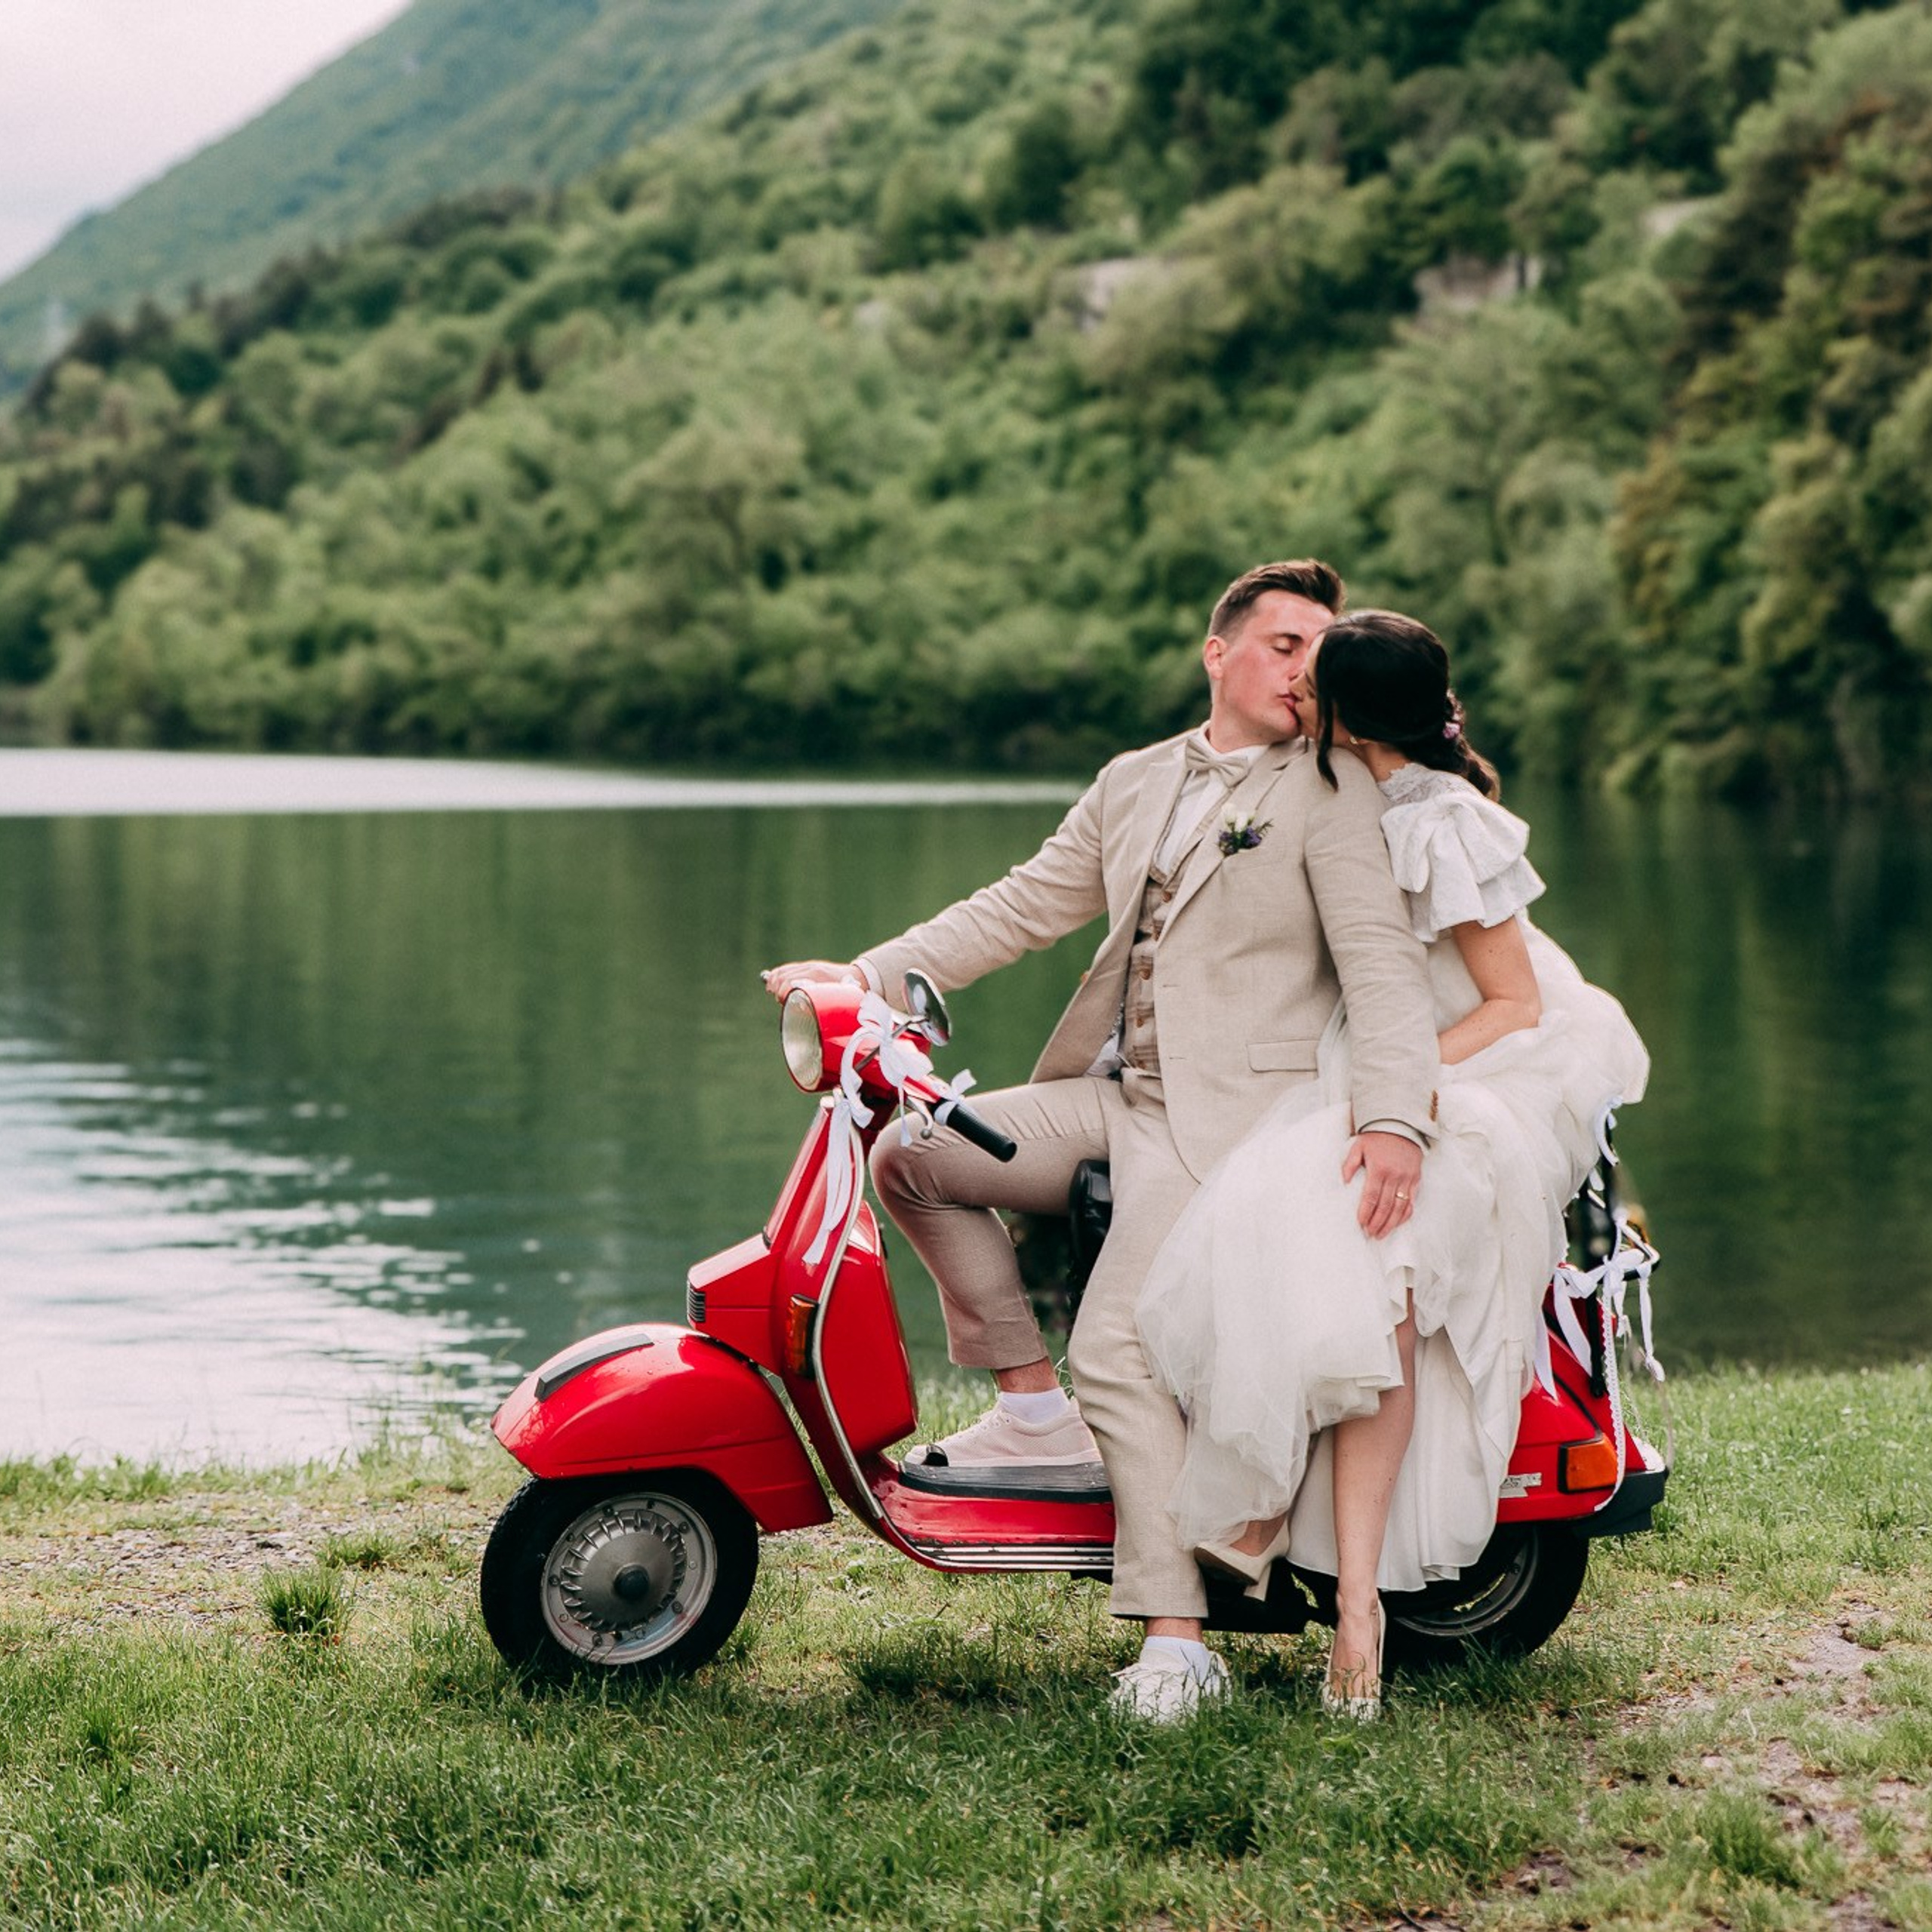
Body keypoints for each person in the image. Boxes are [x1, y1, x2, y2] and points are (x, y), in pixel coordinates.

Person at [764, 561, 1439, 1721]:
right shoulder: (1136, 779)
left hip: (1233, 1120)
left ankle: (1179, 1643)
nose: (1306, 669)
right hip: (1119, 1095)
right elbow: (1021, 905)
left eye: (1322, 652)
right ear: (1218, 653)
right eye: (1285, 644)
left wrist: (1393, 1120)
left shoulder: (1333, 789)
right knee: (914, 1156)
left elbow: (1383, 971)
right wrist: (863, 975)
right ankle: (1034, 1413)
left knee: (1120, 1344)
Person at [1136, 609, 1651, 1719]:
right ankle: (1271, 1504)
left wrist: (1404, 1093)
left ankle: (1355, 1600)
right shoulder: (1342, 789)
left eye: (1312, 679)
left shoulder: (1448, 821)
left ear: (1354, 717)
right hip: (1381, 1063)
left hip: (1481, 1075)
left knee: (1379, 1259)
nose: (1294, 688)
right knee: (1278, 1219)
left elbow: (1514, 1005)